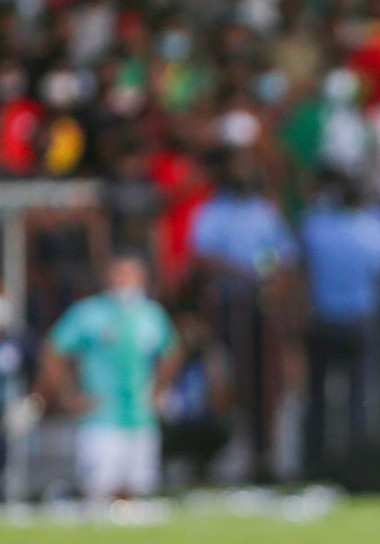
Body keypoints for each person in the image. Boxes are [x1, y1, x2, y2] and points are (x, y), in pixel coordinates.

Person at [189, 148, 298, 482]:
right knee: (227, 381)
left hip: (260, 308)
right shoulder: (213, 212)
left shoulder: (264, 211)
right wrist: (245, 273)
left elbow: (283, 256)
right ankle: (216, 455)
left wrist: (272, 281)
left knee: (265, 384)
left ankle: (262, 456)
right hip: (227, 305)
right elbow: (204, 257)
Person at [34, 254, 180, 500]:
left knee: (139, 493)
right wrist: (69, 394)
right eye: (120, 274)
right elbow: (53, 350)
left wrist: (158, 389)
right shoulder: (89, 312)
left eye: (131, 275)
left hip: (140, 416)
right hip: (101, 415)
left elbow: (172, 352)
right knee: (100, 492)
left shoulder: (150, 314)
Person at [299, 170, 380, 478]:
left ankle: (315, 465)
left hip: (324, 319)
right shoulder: (375, 228)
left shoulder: (315, 225)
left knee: (317, 398)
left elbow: (300, 266)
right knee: (360, 398)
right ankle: (357, 466)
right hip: (361, 319)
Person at [159, 310, 233, 487]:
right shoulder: (166, 354)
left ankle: (203, 476)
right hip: (172, 424)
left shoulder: (212, 354)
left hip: (202, 422)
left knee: (217, 430)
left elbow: (222, 402)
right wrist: (177, 358)